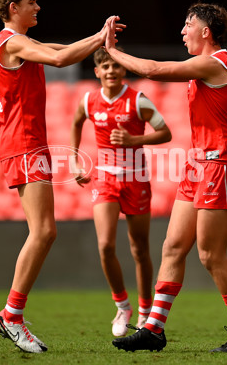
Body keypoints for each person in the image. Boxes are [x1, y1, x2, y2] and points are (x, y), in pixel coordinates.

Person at [105, 3, 227, 353]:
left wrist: (112, 51)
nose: (182, 31)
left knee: (210, 255)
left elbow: (154, 69)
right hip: (197, 165)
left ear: (206, 32)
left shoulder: (215, 62)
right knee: (173, 247)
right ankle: (154, 330)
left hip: (218, 164)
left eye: (188, 24)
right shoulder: (204, 67)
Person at [0, 0, 123, 354]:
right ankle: (11, 315)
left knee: (45, 230)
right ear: (14, 8)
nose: (38, 8)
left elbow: (62, 49)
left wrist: (100, 42)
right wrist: (100, 37)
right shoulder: (12, 42)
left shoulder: (20, 43)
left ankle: (12, 314)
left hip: (28, 142)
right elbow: (62, 59)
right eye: (32, 2)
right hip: (22, 143)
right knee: (45, 230)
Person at [70, 49, 172, 337]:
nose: (111, 70)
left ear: (123, 70)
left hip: (136, 179)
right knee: (105, 246)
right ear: (97, 72)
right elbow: (76, 122)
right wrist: (74, 160)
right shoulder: (89, 100)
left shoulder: (137, 100)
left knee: (139, 249)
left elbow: (166, 133)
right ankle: (122, 305)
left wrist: (133, 139)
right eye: (105, 66)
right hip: (105, 178)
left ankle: (144, 312)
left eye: (116, 65)